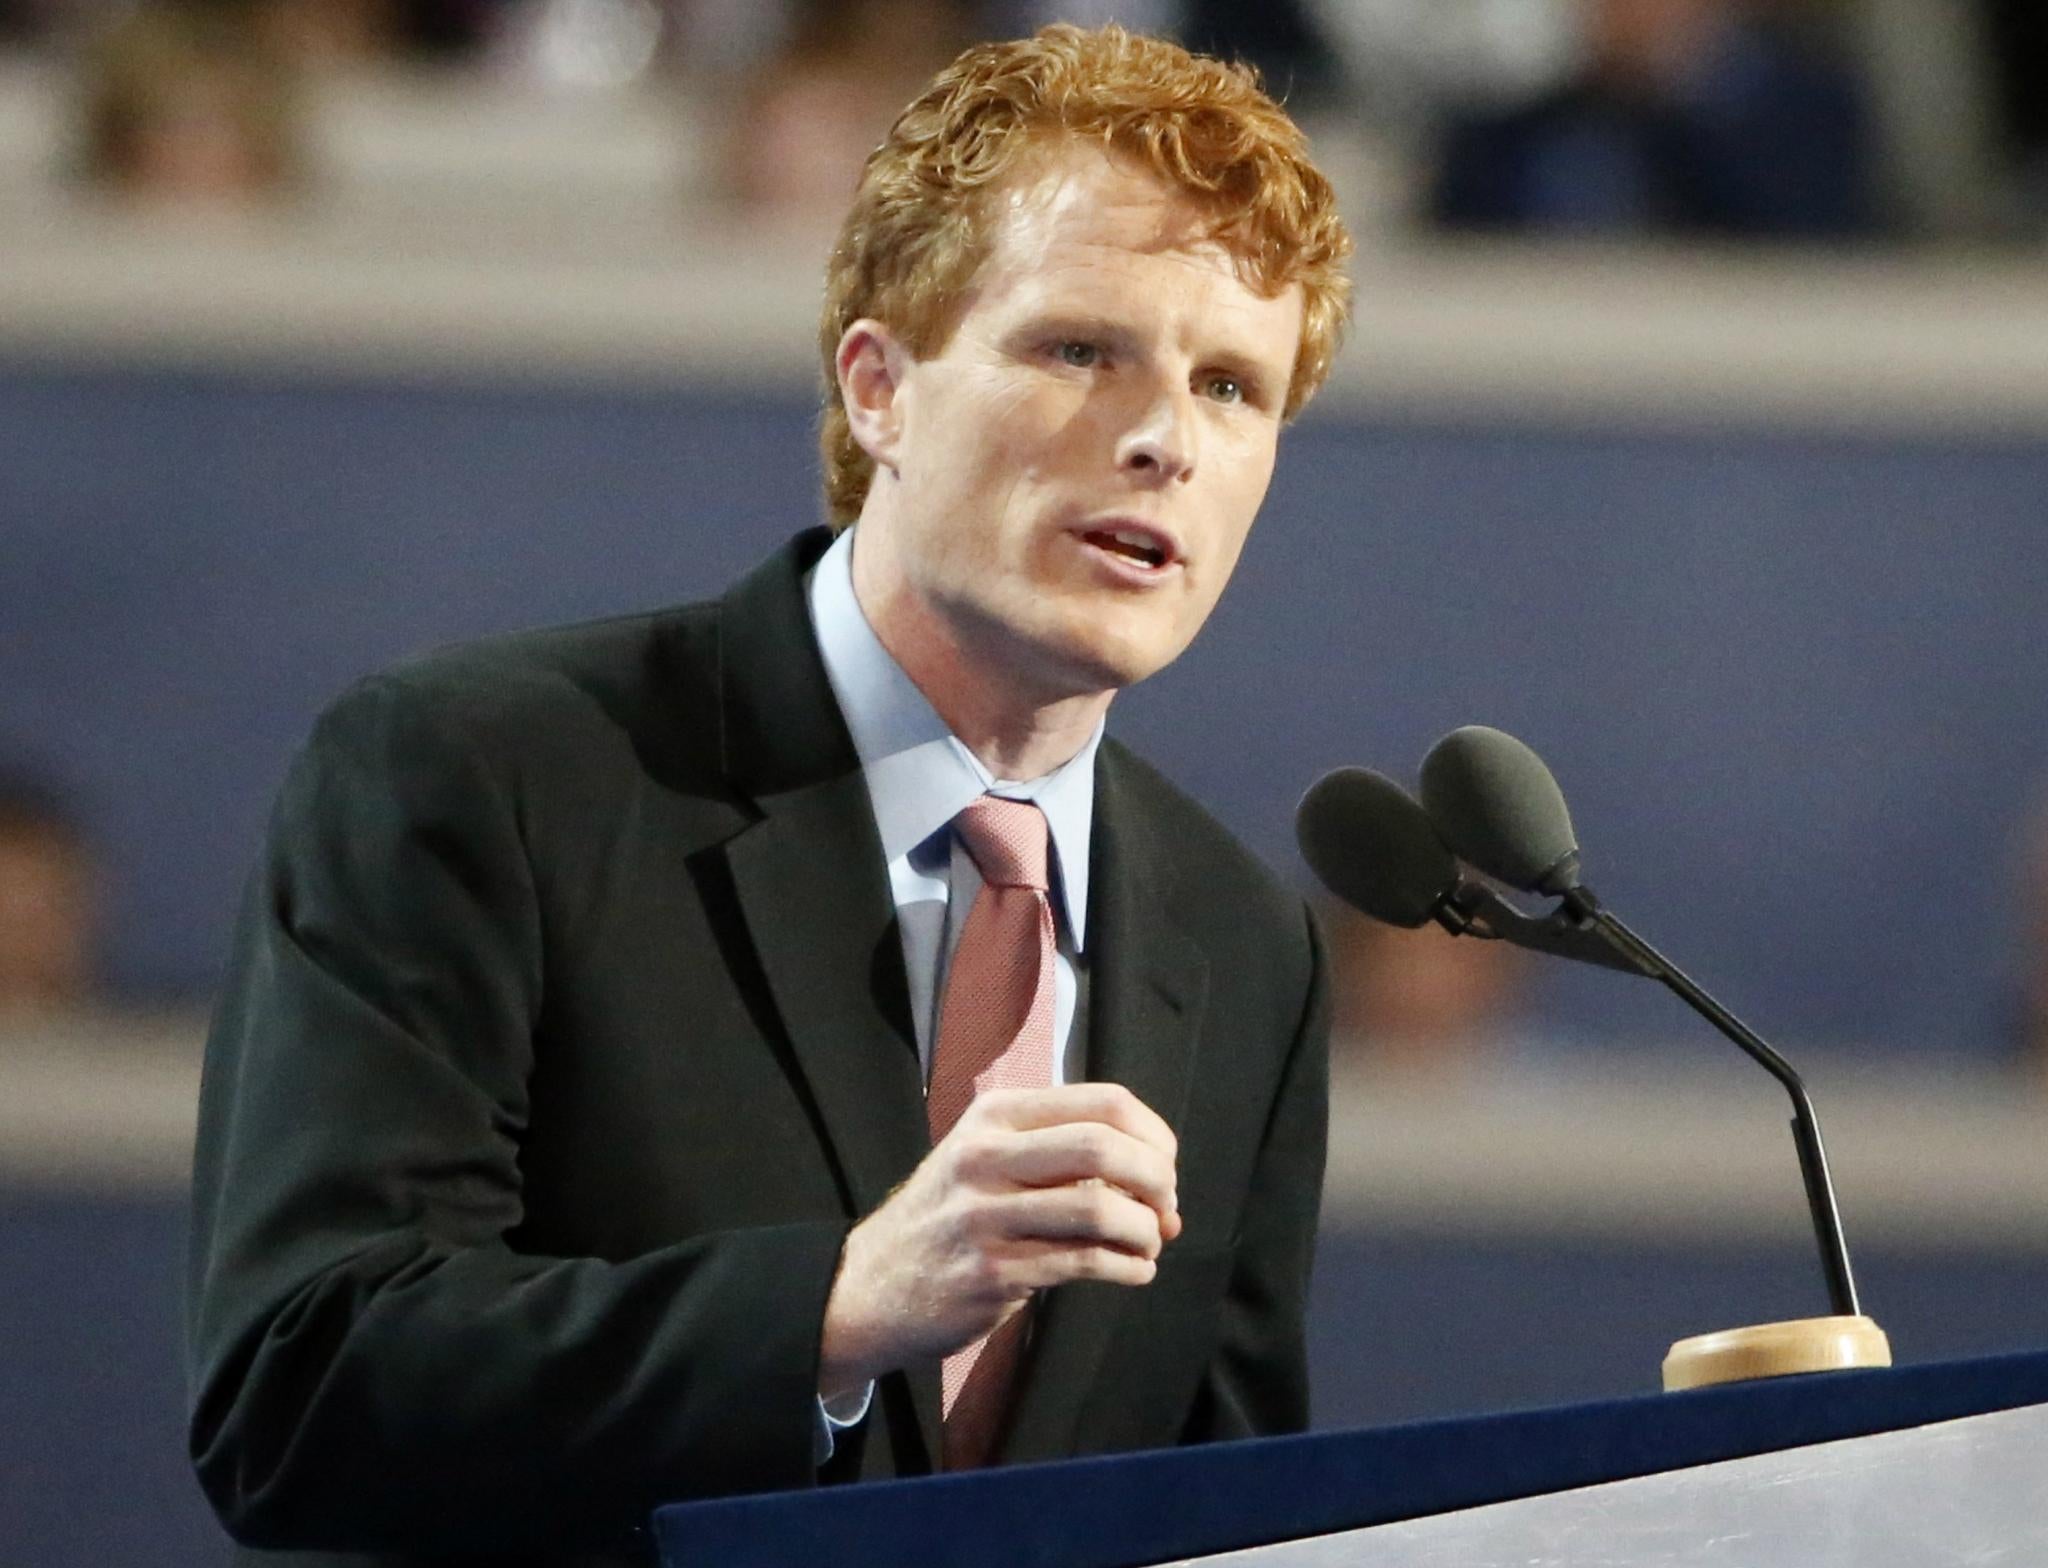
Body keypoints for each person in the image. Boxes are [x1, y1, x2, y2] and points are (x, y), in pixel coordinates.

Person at [186, 22, 1352, 1563]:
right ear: (878, 387)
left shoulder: (1239, 942)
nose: (1160, 440)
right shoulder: (486, 774)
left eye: (1231, 387)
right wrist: (838, 1308)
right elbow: (303, 1389)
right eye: (1082, 349)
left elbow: (1218, 1509)